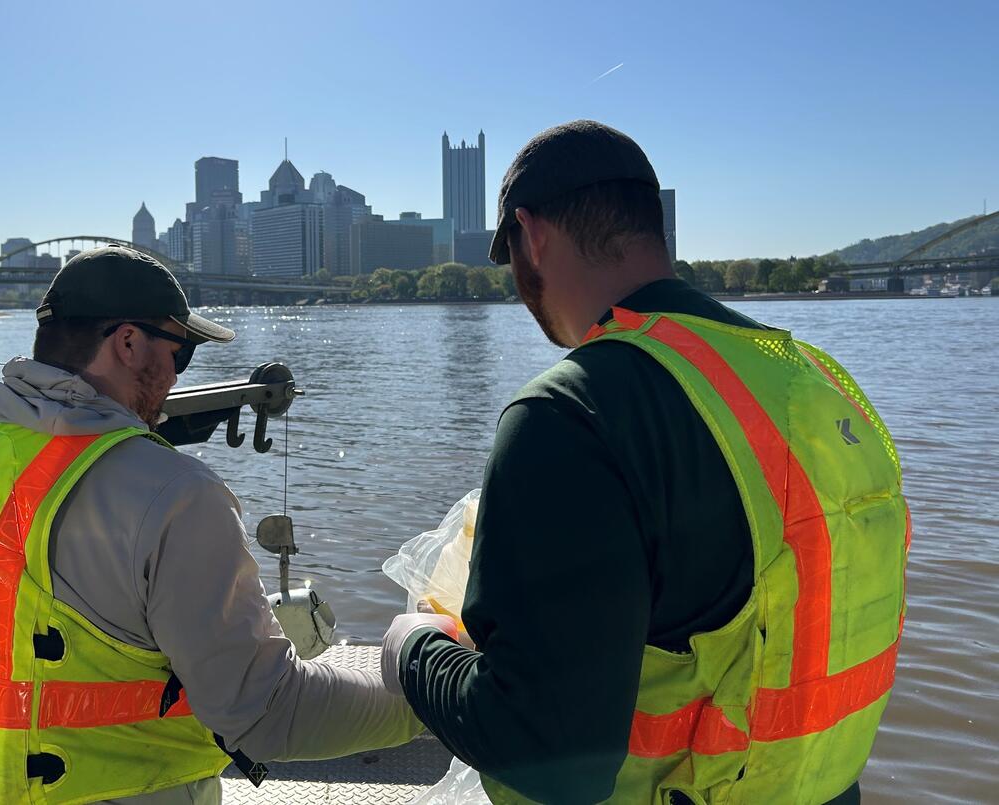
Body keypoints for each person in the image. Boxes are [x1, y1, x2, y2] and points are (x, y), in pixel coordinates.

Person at [382, 121, 909, 804]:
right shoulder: (818, 381)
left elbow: (552, 754)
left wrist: (414, 649)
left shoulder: (570, 412)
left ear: (531, 236)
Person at [0, 245, 420, 805]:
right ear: (129, 343)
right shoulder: (175, 493)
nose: (177, 376)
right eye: (180, 353)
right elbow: (266, 711)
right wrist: (428, 689)